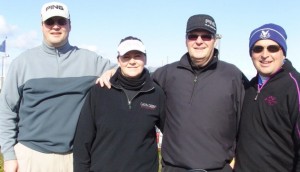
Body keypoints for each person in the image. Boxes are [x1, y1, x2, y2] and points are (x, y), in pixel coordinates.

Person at [99, 14, 247, 172]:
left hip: (217, 169)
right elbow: (135, 80)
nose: (199, 41)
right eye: (192, 36)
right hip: (173, 168)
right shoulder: (166, 74)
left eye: (206, 36)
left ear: (214, 40)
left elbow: (248, 123)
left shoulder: (233, 76)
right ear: (186, 40)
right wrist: (114, 72)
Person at [0, 2, 115, 172]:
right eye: (49, 22)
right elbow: (6, 110)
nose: (55, 26)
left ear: (70, 25)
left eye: (61, 21)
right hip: (30, 157)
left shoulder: (90, 60)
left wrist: (111, 72)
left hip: (74, 159)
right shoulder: (22, 63)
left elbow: (127, 70)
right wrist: (9, 156)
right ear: (42, 26)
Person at [73, 36, 165, 172]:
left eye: (137, 56)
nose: (132, 61)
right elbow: (83, 140)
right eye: (126, 56)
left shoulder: (155, 93)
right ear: (118, 60)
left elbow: (171, 134)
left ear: (145, 59)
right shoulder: (100, 91)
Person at [234, 23, 300, 172]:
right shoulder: (248, 87)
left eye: (272, 48)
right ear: (251, 54)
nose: (265, 55)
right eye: (258, 49)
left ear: (283, 52)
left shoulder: (294, 86)